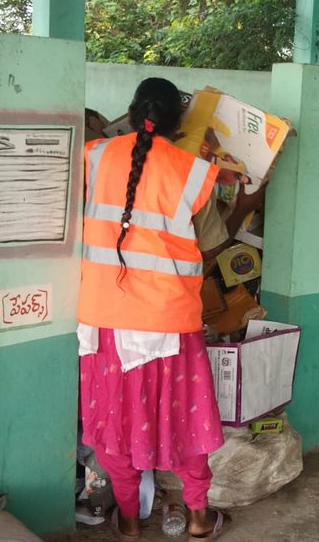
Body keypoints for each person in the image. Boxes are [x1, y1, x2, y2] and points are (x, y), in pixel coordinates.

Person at [78, 78, 253, 540]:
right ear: (180, 123)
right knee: (189, 421)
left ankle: (131, 522)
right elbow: (214, 247)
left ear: (132, 113)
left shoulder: (93, 155)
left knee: (114, 425)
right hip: (170, 324)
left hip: (104, 322)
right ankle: (197, 518)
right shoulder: (193, 171)